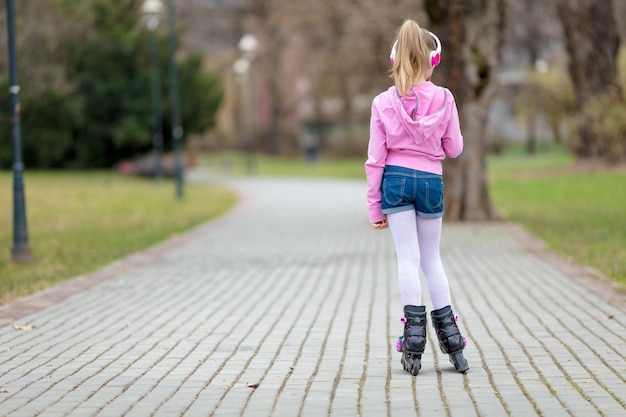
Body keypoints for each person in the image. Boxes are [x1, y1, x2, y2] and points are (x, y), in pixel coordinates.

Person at [364, 19, 469, 376]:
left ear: (394, 59)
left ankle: (413, 341)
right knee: (431, 260)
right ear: (433, 60)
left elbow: (375, 158)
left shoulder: (382, 102)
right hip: (429, 181)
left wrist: (374, 206)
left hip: (394, 181)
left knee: (407, 260)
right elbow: (454, 148)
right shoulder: (445, 98)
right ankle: (452, 339)